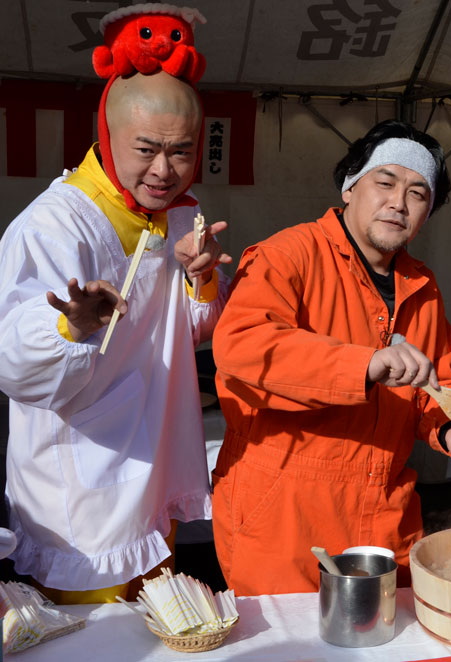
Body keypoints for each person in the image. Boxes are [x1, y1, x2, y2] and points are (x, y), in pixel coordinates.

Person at [0, 5, 230, 604]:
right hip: (79, 483)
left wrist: (200, 282)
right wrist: (67, 325)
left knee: (162, 625)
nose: (163, 170)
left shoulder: (180, 214)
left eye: (181, 152)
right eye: (147, 148)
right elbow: (12, 362)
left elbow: (192, 332)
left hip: (153, 466)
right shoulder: (54, 226)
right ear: (107, 133)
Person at [212, 119, 451, 595]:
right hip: (284, 510)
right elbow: (243, 346)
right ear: (351, 186)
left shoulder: (421, 284)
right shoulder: (288, 255)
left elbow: (437, 380)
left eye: (418, 193)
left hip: (385, 512)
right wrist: (363, 365)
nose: (399, 202)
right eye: (385, 182)